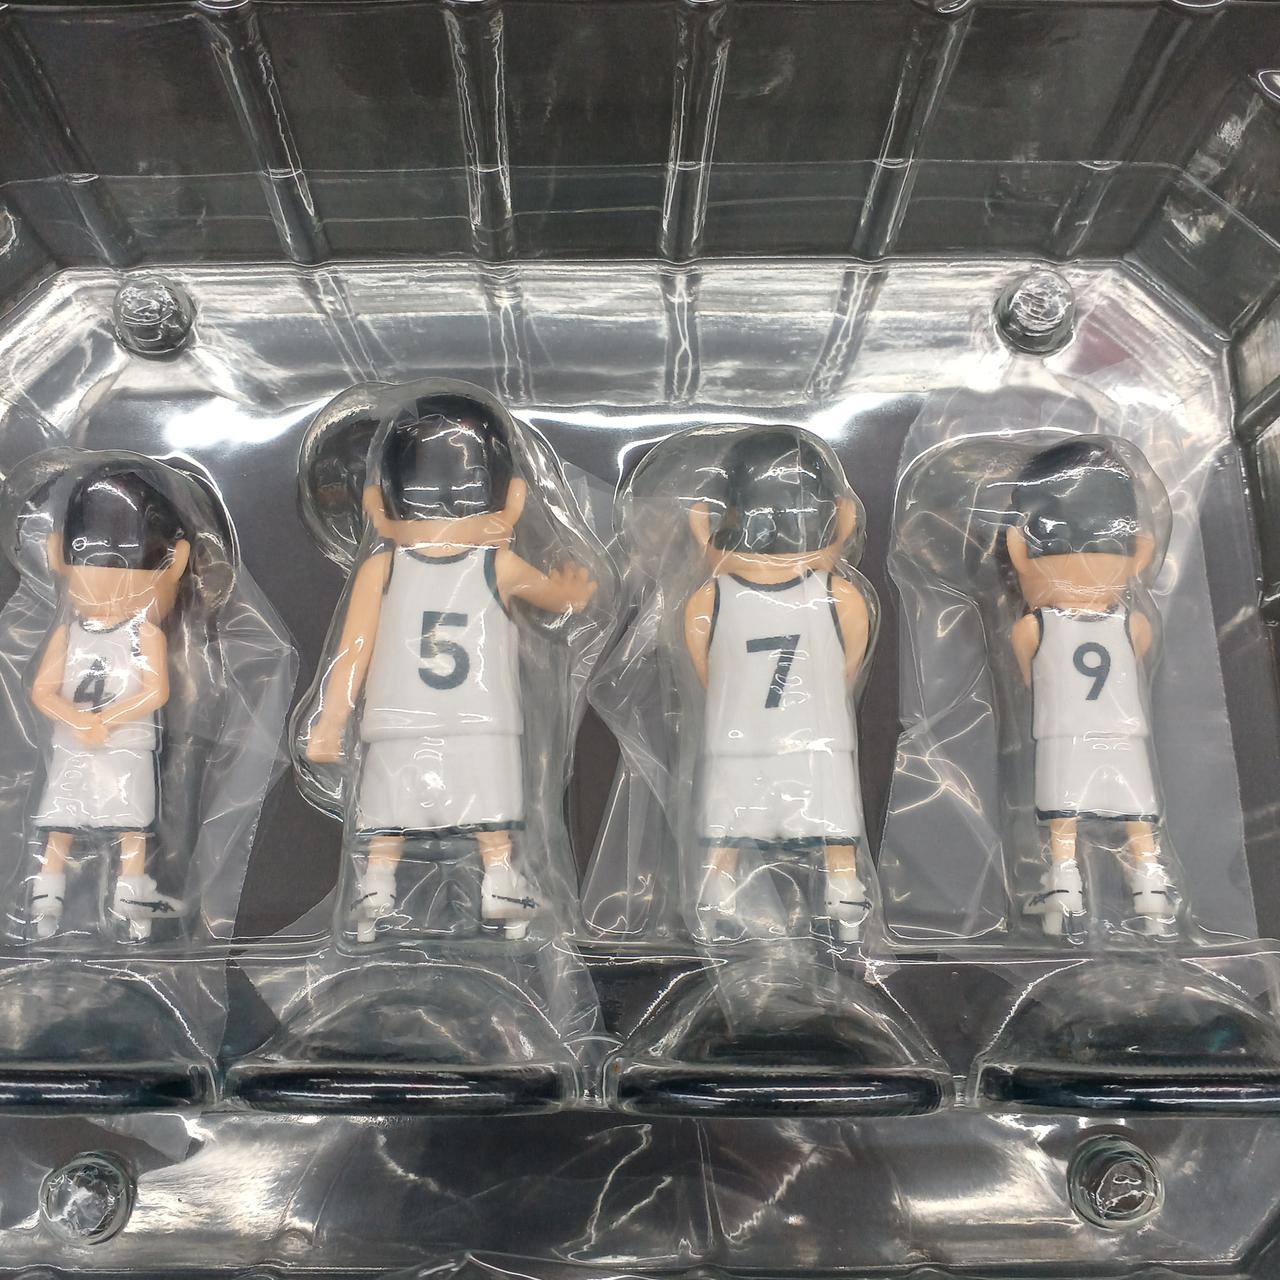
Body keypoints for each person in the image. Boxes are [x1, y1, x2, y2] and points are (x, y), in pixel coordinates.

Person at [304, 391, 595, 942]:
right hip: (481, 719)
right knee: (489, 810)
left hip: (397, 720)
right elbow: (557, 598)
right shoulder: (497, 563)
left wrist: (331, 720)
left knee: (390, 811)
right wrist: (571, 590)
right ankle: (500, 881)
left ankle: (375, 886)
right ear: (512, 500)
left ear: (377, 503)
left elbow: (353, 651)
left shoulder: (384, 569)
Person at [684, 427, 873, 943]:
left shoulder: (709, 596)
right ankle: (844, 892)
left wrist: (739, 704)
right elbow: (847, 669)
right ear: (836, 517)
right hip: (817, 738)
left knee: (729, 822)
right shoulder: (839, 594)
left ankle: (716, 892)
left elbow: (707, 672)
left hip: (737, 737)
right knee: (832, 821)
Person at [1007, 437, 1177, 938]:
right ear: (1140, 553)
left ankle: (1063, 879)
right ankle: (1150, 882)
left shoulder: (1033, 626)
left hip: (1063, 733)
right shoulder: (1132, 623)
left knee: (1063, 814)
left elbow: (1031, 680)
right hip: (1124, 733)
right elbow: (1134, 666)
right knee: (1137, 813)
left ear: (1019, 551)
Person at [29, 463, 189, 940]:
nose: (110, 594)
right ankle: (46, 898)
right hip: (75, 743)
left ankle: (132, 896)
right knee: (61, 823)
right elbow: (42, 691)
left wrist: (109, 719)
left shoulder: (145, 635)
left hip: (128, 743)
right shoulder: (69, 633)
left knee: (131, 823)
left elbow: (156, 690)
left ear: (175, 566)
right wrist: (77, 718)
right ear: (57, 558)